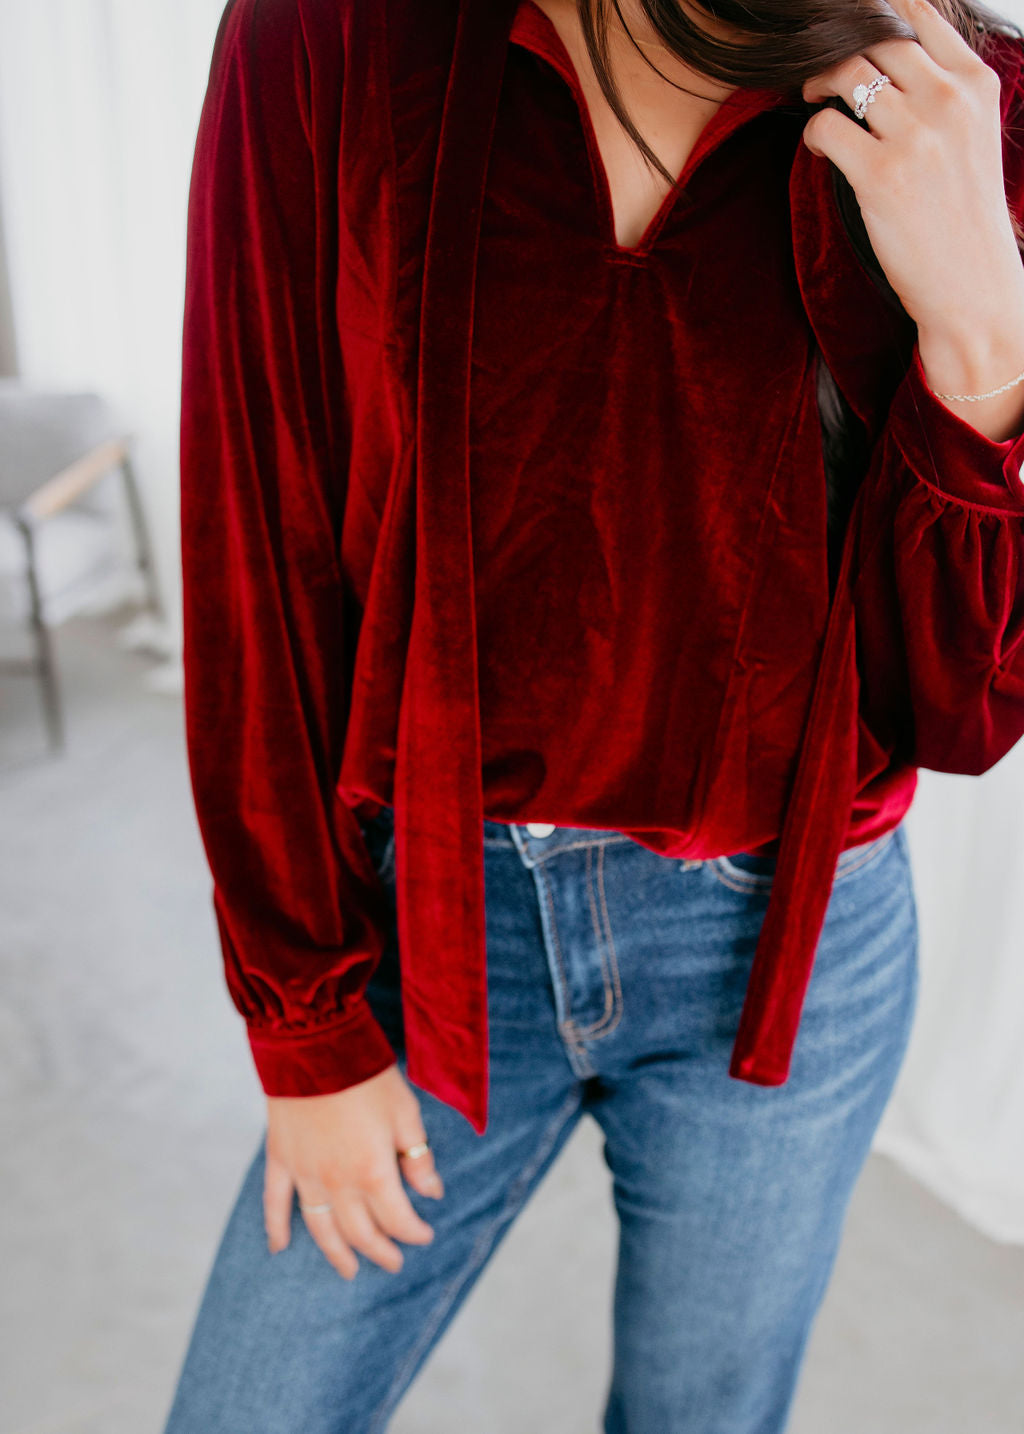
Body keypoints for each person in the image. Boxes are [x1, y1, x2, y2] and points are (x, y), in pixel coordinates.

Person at [163, 0, 1024, 1429]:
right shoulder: (330, 35)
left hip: (788, 947)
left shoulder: (966, 109)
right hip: (431, 918)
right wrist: (303, 1024)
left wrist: (983, 322)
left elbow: (963, 708)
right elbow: (255, 528)